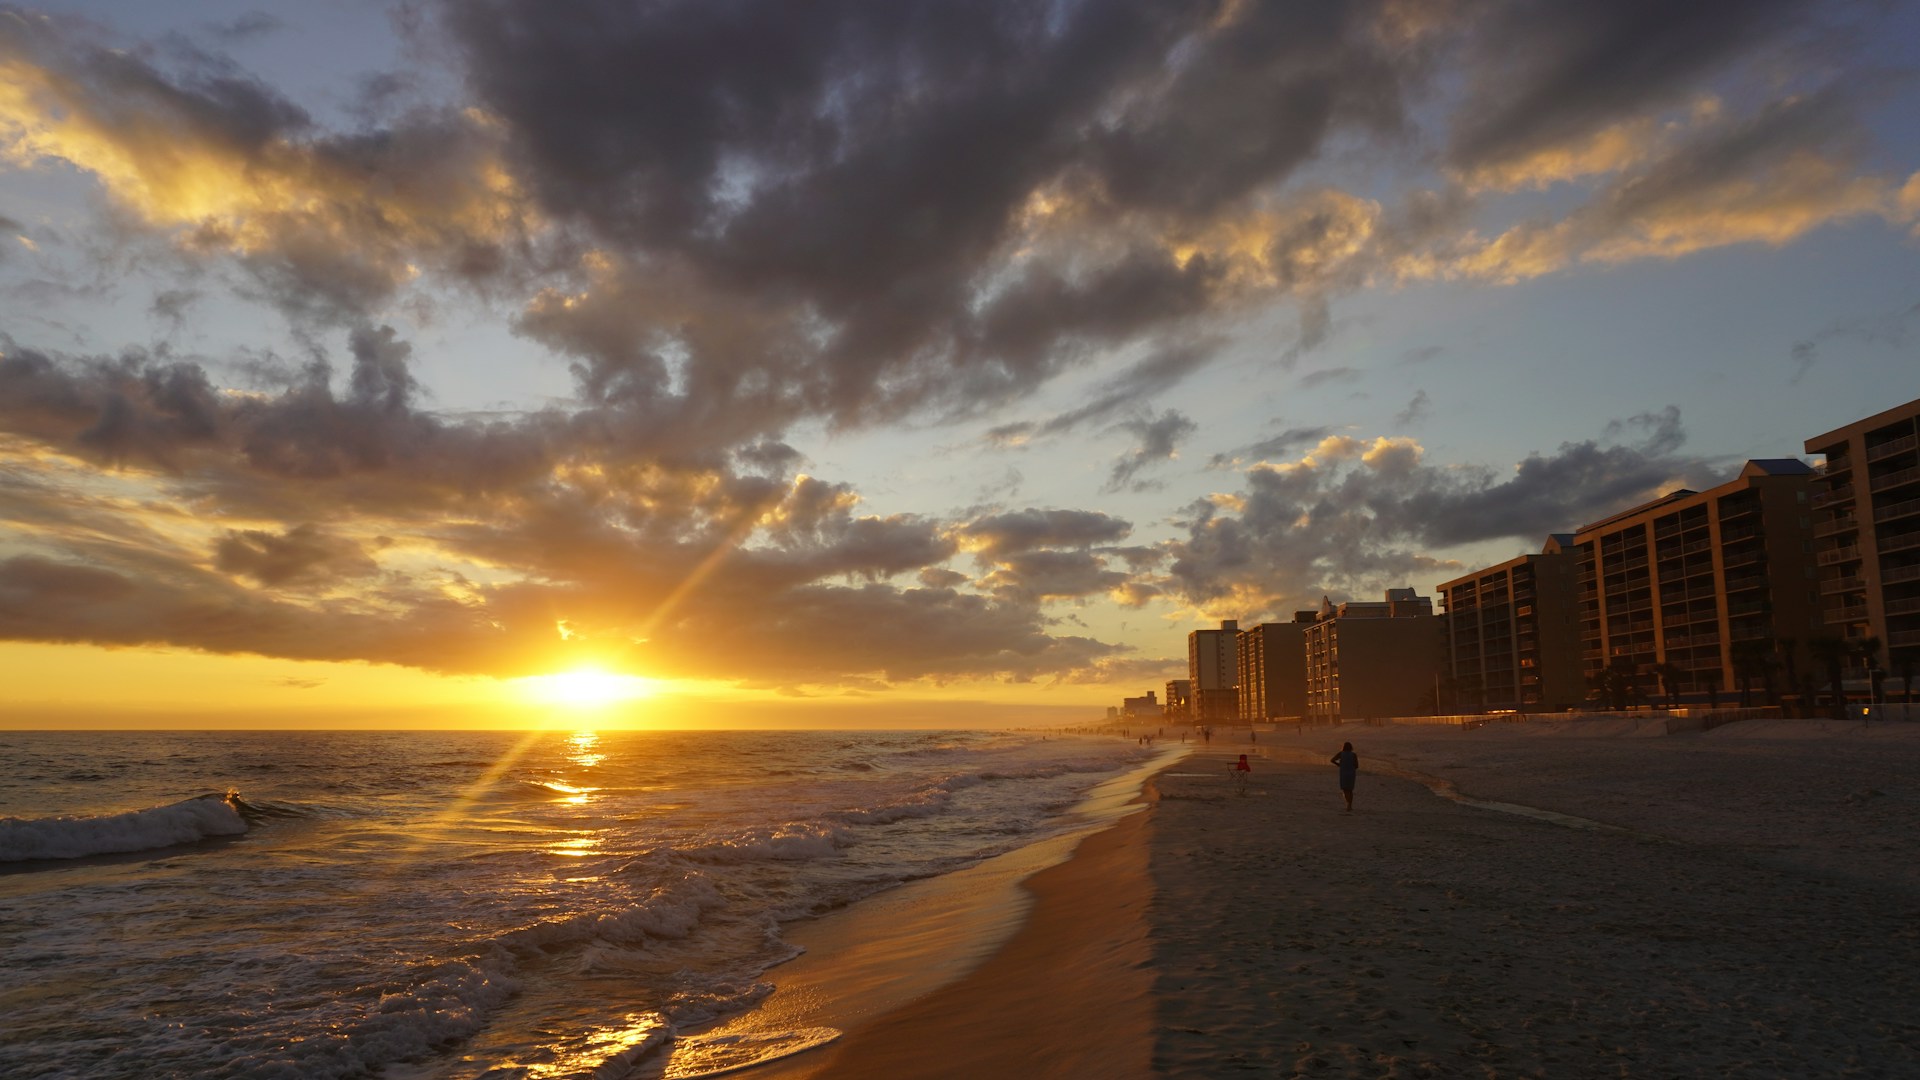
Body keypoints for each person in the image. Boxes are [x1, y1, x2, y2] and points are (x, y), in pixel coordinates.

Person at [1330, 742, 1358, 811]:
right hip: (1351, 774)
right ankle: (1350, 805)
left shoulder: (1341, 754)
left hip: (1343, 773)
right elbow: (1356, 766)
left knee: (1345, 789)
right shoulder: (1354, 755)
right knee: (1350, 790)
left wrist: (1339, 764)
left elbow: (1332, 760)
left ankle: (1348, 804)